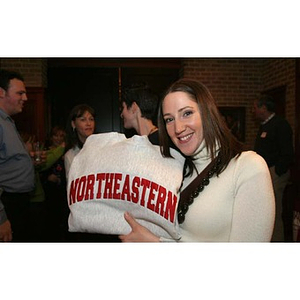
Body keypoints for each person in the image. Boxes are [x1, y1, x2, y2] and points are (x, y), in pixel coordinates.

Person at [119, 78, 275, 242]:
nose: (178, 128)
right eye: (169, 119)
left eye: (187, 113)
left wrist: (155, 243)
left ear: (207, 112)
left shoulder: (248, 167)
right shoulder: (175, 169)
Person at [253, 94, 294, 242]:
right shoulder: (264, 125)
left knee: (274, 212)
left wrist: (277, 171)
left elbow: (287, 152)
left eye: (256, 107)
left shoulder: (280, 124)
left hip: (275, 174)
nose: (254, 111)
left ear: (264, 108)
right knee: (265, 211)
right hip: (265, 173)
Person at [0, 69, 35, 242]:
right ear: (1, 92)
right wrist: (1, 218)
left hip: (18, 202)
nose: (25, 98)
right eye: (20, 93)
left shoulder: (7, 121)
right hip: (7, 204)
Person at [64, 104, 95, 181]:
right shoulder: (70, 155)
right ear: (73, 124)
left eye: (91, 119)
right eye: (83, 120)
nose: (88, 123)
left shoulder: (102, 146)